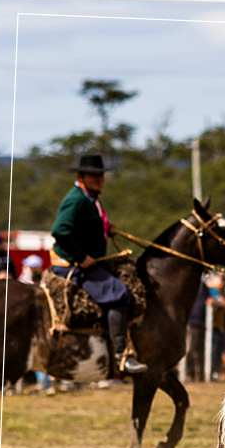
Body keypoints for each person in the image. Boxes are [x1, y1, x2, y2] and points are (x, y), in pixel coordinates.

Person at [49, 154, 147, 374]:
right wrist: (81, 257)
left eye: (100, 174)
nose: (98, 178)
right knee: (120, 293)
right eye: (93, 175)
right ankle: (122, 356)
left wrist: (107, 228)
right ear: (81, 176)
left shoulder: (91, 198)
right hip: (73, 266)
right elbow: (60, 230)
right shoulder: (76, 199)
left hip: (86, 263)